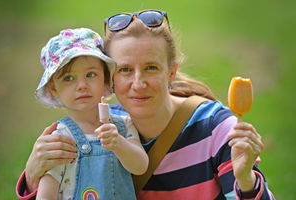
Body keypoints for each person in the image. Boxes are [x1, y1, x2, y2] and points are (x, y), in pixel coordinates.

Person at [16, 10, 274, 200]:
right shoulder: (95, 129)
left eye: (151, 68)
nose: (138, 83)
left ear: (171, 72)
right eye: (126, 70)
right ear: (110, 78)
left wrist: (245, 181)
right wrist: (33, 175)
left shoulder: (217, 129)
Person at [29, 28, 148, 200]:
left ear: (106, 79)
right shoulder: (60, 139)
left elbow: (140, 166)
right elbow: (46, 195)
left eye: (90, 74)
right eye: (68, 78)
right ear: (54, 88)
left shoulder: (123, 125)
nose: (82, 85)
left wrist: (118, 143)